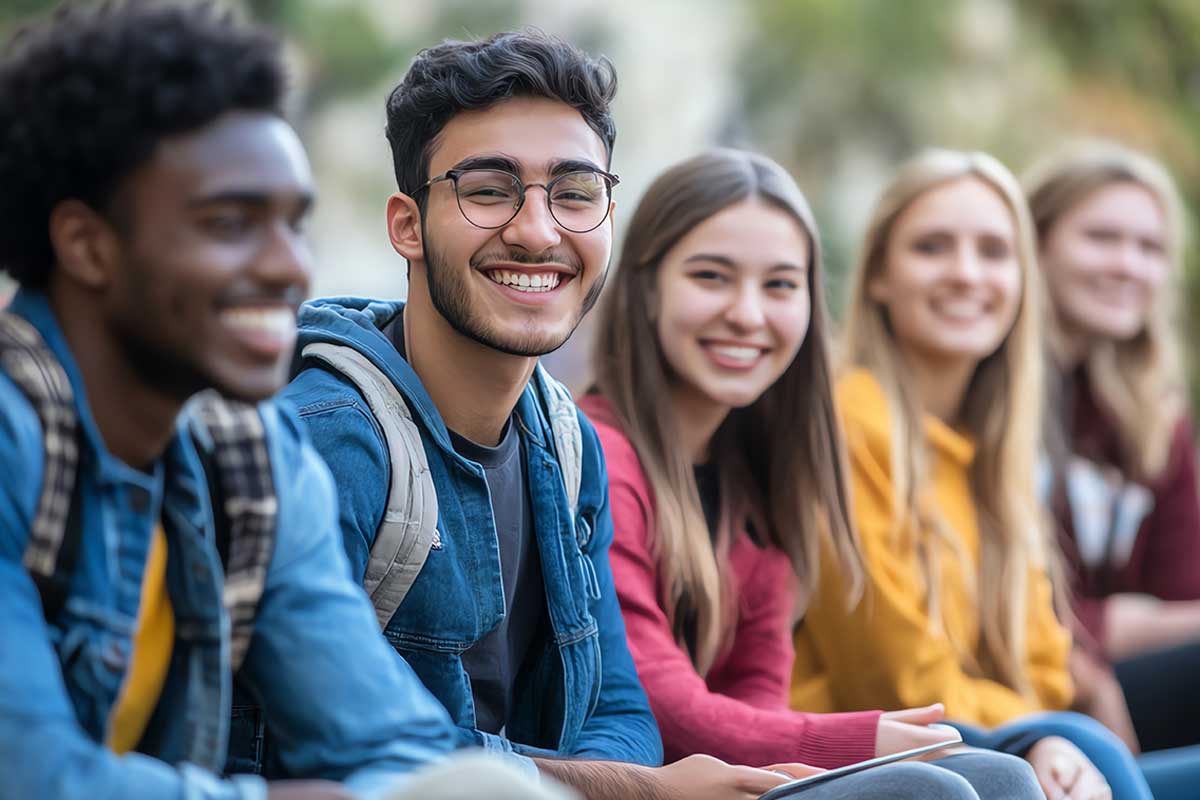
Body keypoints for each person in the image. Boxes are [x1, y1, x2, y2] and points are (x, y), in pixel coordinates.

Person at [0, 3, 560, 799]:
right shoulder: (14, 441)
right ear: (87, 245)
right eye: (230, 224)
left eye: (294, 224)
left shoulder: (249, 456)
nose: (286, 268)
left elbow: (390, 742)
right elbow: (34, 779)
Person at [279, 31, 811, 800]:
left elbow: (624, 715)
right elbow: (370, 743)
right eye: (489, 190)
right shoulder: (329, 439)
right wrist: (635, 789)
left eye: (574, 193)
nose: (537, 230)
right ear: (406, 225)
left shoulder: (566, 443)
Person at [580, 148, 1044, 799]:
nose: (748, 313)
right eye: (712, 277)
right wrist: (855, 741)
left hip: (735, 773)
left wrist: (1049, 730)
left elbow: (757, 690)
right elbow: (657, 697)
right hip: (636, 780)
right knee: (936, 790)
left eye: (779, 284)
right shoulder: (596, 455)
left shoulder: (763, 473)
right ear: (645, 288)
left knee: (1003, 774)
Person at [789, 149, 1157, 799]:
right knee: (1088, 745)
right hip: (864, 767)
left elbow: (1045, 666)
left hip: (988, 744)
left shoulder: (995, 454)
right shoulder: (847, 426)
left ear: (1022, 281)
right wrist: (1039, 734)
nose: (966, 274)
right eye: (932, 247)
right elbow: (898, 683)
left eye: (993, 251)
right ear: (878, 276)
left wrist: (1045, 730)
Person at [1026, 142, 1200, 757]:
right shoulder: (982, 393)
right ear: (1036, 244)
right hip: (1014, 684)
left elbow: (1184, 593)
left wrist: (1135, 623)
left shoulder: (1155, 414)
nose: (1128, 264)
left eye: (1149, 248)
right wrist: (1114, 622)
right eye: (1102, 238)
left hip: (1117, 683)